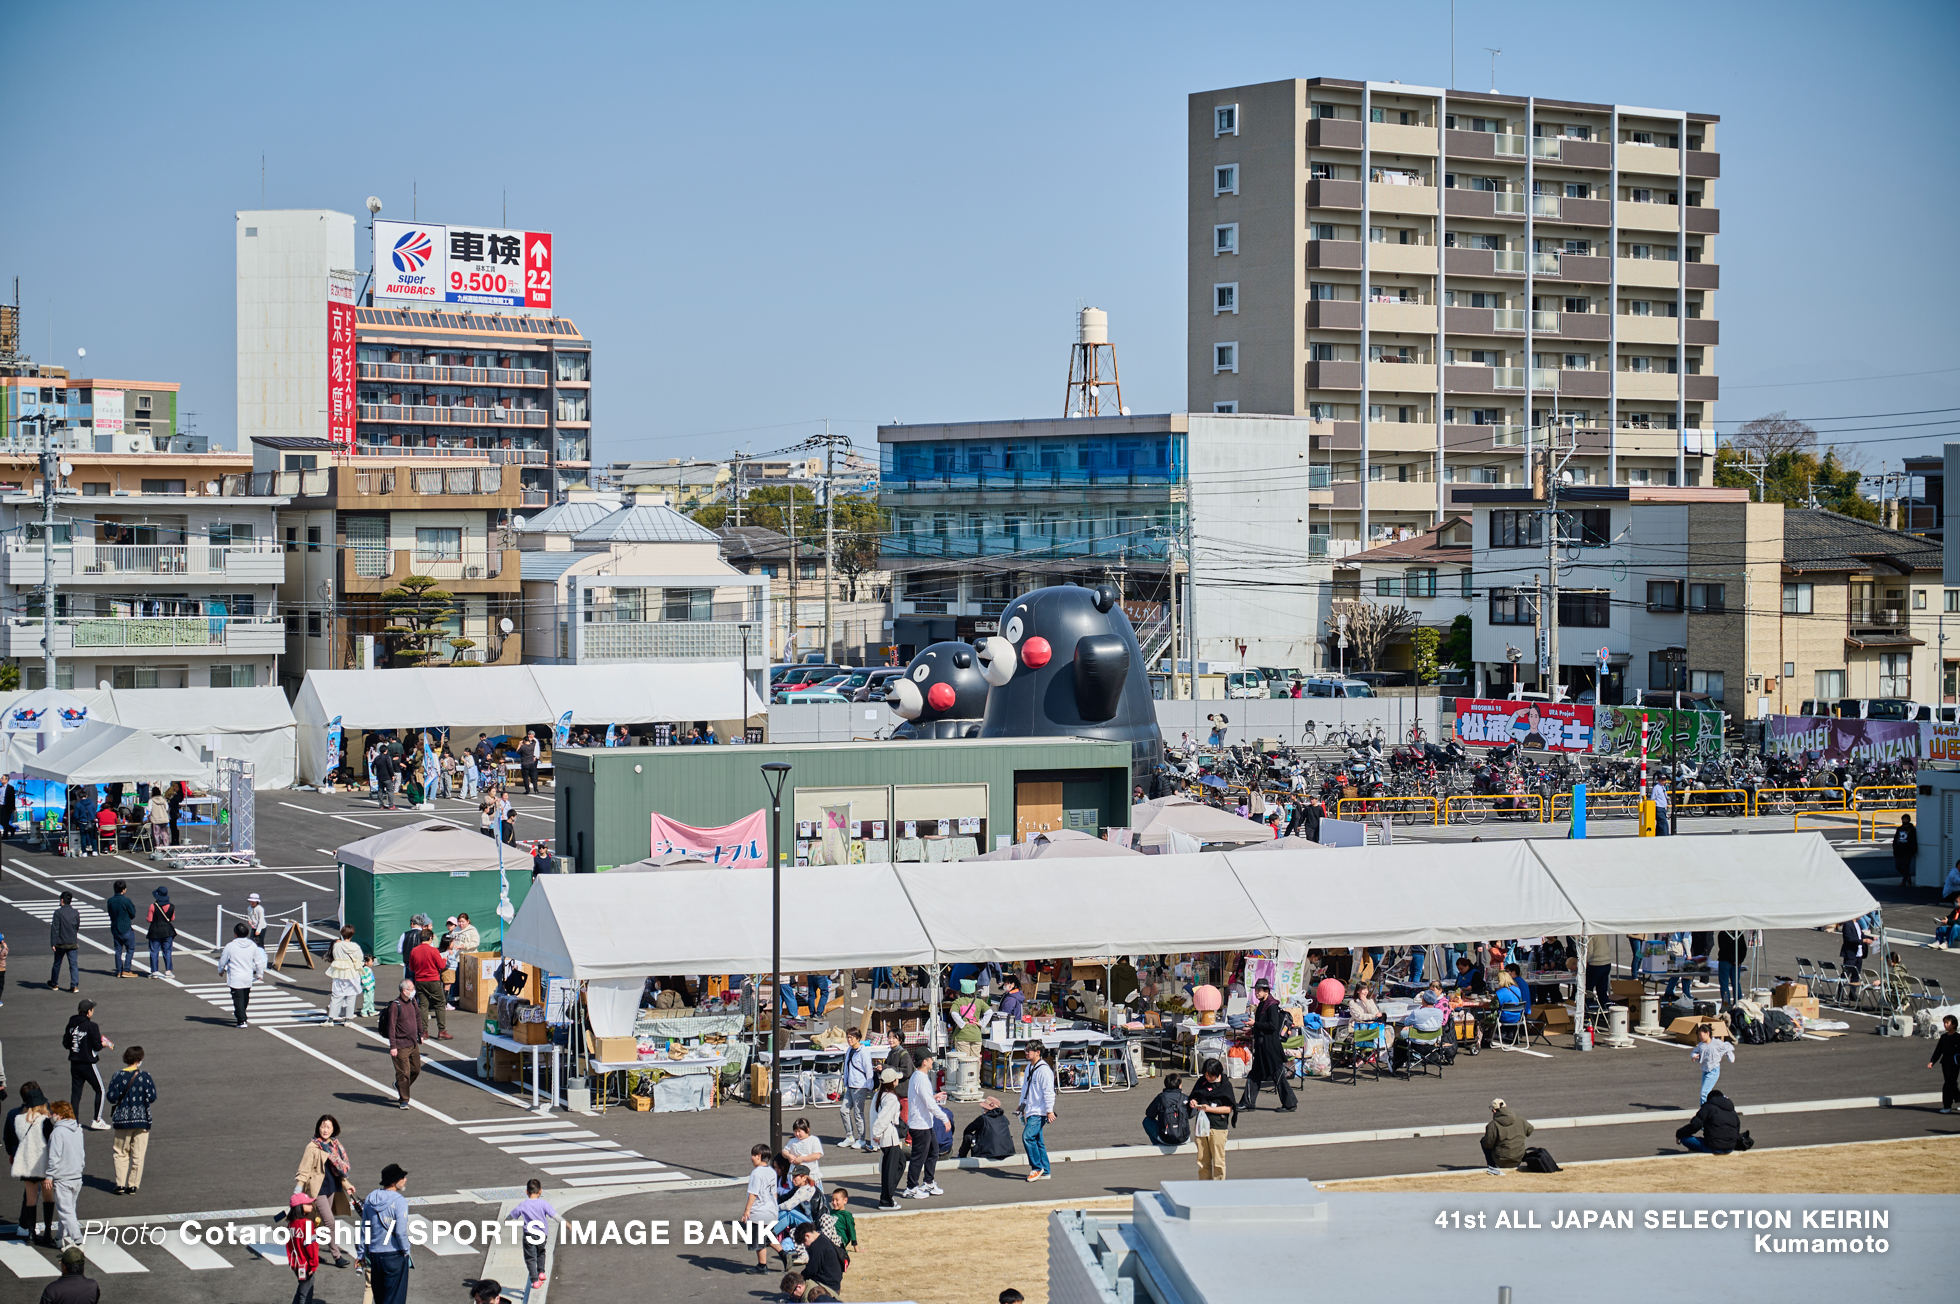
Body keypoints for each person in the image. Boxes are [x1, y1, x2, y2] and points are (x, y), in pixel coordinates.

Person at [294, 1114, 357, 1269]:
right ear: (318, 1127)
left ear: (334, 1128)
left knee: (318, 1222)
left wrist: (347, 1184)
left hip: (331, 1188)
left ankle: (308, 1249)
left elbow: (339, 1170)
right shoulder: (313, 1147)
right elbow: (304, 1169)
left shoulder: (335, 1145)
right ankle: (336, 1256)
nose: (325, 1130)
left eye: (328, 1127)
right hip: (318, 1190)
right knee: (329, 1222)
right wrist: (298, 1189)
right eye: (323, 1126)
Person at [1238, 978, 1298, 1112]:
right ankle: (1248, 1102)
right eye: (1256, 990)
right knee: (1255, 1075)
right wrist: (1252, 1030)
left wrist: (1255, 1024)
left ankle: (1290, 1103)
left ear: (1266, 991)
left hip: (1270, 1047)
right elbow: (1262, 1025)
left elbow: (1272, 1026)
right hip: (1262, 1046)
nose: (1257, 993)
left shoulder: (1271, 1005)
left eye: (1259, 990)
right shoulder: (1262, 1004)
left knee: (1278, 1074)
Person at [358, 1163, 413, 1304]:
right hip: (394, 1255)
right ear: (394, 1182)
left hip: (375, 1256)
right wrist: (406, 1250)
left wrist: (360, 1253)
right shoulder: (399, 1201)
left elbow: (364, 1228)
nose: (405, 1180)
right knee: (395, 1299)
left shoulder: (371, 1198)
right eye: (402, 1177)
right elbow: (400, 1232)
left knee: (380, 1299)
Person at [104, 1047, 153, 1195]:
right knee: (138, 1154)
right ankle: (133, 1185)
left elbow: (111, 1097)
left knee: (120, 1152)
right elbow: (152, 1096)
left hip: (122, 1120)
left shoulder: (117, 1076)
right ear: (140, 1059)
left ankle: (120, 1183)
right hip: (142, 1119)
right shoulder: (145, 1076)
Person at [10, 1084, 53, 1246]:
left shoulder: (19, 1120)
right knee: (48, 1198)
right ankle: (48, 1232)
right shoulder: (46, 1121)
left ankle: (30, 1233)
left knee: (30, 1199)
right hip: (43, 1163)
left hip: (27, 1164)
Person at [903, 1054, 949, 1198]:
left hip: (925, 1124)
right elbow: (929, 1105)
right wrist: (944, 1118)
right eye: (930, 1059)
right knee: (919, 1157)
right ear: (924, 1062)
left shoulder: (918, 1077)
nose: (932, 1061)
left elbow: (923, 1098)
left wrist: (934, 1096)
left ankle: (928, 1183)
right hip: (920, 1125)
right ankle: (911, 1187)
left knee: (933, 1152)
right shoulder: (920, 1078)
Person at [62, 999, 111, 1129]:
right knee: (100, 1090)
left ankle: (74, 1122)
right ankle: (97, 1119)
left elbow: (66, 1044)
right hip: (88, 1064)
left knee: (76, 1094)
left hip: (74, 1063)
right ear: (89, 1012)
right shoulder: (92, 1026)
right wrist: (104, 1044)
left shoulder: (71, 1025)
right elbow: (97, 1046)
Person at [44, 1102, 83, 1248]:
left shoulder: (57, 1133)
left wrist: (49, 1175)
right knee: (68, 1209)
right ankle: (59, 1237)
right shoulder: (77, 1129)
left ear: (60, 1115)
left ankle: (78, 1240)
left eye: (53, 1113)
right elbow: (82, 1153)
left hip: (63, 1178)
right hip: (76, 1176)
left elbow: (54, 1156)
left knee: (66, 1211)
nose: (50, 1116)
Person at [1188, 1058, 1235, 1180]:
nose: (1208, 1078)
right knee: (1202, 1161)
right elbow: (1194, 1096)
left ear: (1218, 1073)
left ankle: (1218, 1189)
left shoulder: (1225, 1086)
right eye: (1206, 1075)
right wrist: (1193, 1102)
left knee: (1218, 1162)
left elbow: (1228, 1109)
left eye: (1211, 1075)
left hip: (1218, 1126)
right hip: (1202, 1126)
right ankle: (1205, 1188)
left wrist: (1209, 1109)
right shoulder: (1201, 1082)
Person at [509, 1177, 557, 1291]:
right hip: (541, 1234)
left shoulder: (523, 1205)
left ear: (526, 1191)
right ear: (540, 1191)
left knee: (530, 1258)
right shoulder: (543, 1204)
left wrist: (506, 1220)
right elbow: (555, 1216)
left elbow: (512, 1215)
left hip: (529, 1235)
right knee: (541, 1252)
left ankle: (535, 1280)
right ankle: (541, 1272)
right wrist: (567, 1223)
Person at [1017, 1041, 1056, 1182]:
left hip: (1040, 1112)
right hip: (1030, 1109)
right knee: (1038, 1140)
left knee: (1027, 1137)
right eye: (1026, 1050)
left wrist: (1049, 1111)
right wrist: (1021, 1105)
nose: (1026, 1052)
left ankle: (1037, 1167)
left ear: (1038, 1052)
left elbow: (1049, 1092)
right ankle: (1045, 1170)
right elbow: (1025, 1088)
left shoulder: (1044, 1070)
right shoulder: (1029, 1067)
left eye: (1029, 1050)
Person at [384, 979, 425, 1108]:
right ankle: (404, 1100)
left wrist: (421, 1033)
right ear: (404, 991)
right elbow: (391, 1027)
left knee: (416, 1070)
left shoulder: (413, 1002)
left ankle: (399, 1086)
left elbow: (418, 1017)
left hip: (413, 1043)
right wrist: (393, 1047)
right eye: (411, 989)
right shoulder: (396, 1006)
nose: (414, 991)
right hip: (401, 1045)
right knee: (403, 1073)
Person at [218, 921, 268, 1028]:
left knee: (238, 999)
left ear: (235, 934)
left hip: (235, 977)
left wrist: (221, 970)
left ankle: (241, 1020)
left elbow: (223, 959)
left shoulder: (230, 946)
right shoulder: (252, 945)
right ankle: (241, 1014)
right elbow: (259, 961)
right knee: (245, 998)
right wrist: (260, 974)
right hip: (247, 977)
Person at [406, 925, 451, 1040]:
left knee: (423, 1005)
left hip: (420, 980)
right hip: (433, 979)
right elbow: (441, 965)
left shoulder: (414, 951)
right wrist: (445, 959)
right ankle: (442, 1030)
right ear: (430, 938)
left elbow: (411, 967)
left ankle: (423, 1031)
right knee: (440, 1003)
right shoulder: (433, 950)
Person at [741, 1142, 781, 1273]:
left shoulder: (756, 1173)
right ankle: (784, 1254)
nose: (751, 1158)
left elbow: (753, 1193)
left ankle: (762, 1266)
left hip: (759, 1211)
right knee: (768, 1236)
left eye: (753, 1155)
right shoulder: (772, 1172)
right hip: (771, 1210)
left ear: (758, 1156)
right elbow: (774, 1192)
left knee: (759, 1240)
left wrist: (747, 1210)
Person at [871, 1067, 906, 1210]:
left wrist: (876, 1135)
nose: (898, 1081)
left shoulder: (881, 1094)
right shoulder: (890, 1097)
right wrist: (876, 1134)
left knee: (896, 1165)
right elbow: (884, 1118)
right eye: (896, 1079)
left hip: (888, 1136)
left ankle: (888, 1196)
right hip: (888, 1136)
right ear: (892, 1082)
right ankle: (886, 1199)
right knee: (892, 1168)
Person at [839, 1027, 875, 1151]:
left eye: (851, 1037)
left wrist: (869, 1085)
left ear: (858, 1038)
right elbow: (846, 1068)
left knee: (858, 1113)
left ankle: (862, 1139)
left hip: (860, 1086)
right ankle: (849, 1136)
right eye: (848, 1037)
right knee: (844, 1110)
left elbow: (868, 1069)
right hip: (850, 1085)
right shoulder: (849, 1050)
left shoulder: (863, 1052)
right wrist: (845, 1083)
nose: (849, 1040)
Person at [1675, 1088, 1741, 1154]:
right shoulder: (1732, 1110)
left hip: (1713, 1147)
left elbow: (1695, 1126)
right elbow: (1737, 1130)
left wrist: (1679, 1134)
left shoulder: (1708, 1107)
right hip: (1730, 1147)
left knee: (1684, 1138)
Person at [1480, 1097, 1534, 1175]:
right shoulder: (1520, 1120)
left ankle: (1492, 1167)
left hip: (1501, 1161)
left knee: (1483, 1141)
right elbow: (1530, 1131)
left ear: (1494, 1110)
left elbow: (1488, 1144)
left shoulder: (1493, 1125)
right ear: (1506, 1106)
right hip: (1518, 1158)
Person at [286, 1200, 323, 1304]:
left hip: (296, 1263)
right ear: (300, 1206)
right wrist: (313, 1264)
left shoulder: (291, 1224)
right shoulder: (307, 1223)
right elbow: (311, 1247)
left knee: (301, 1289)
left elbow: (289, 1245)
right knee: (306, 1294)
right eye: (308, 1204)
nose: (311, 1206)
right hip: (306, 1264)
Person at [795, 1220, 846, 1295]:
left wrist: (798, 1278)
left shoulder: (816, 1246)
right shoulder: (823, 1238)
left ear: (807, 1236)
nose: (805, 1246)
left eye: (804, 1242)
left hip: (827, 1287)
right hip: (834, 1284)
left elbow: (811, 1270)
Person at [326, 926, 365, 1025]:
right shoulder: (355, 946)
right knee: (351, 995)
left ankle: (331, 1019)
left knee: (336, 995)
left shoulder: (337, 946)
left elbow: (334, 956)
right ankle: (347, 1019)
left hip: (339, 971)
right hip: (352, 971)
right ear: (352, 935)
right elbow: (360, 958)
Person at [1687, 1023, 1734, 1104]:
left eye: (1700, 1035)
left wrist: (1730, 1056)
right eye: (1698, 1035)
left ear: (1707, 1033)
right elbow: (1694, 1052)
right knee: (1707, 1092)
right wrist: (1694, 1056)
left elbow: (1727, 1047)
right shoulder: (1701, 1045)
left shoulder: (1716, 1043)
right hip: (1705, 1070)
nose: (1699, 1037)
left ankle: (1704, 1109)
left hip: (1714, 1070)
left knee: (1704, 1092)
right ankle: (1723, 1098)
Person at [1143, 1074, 1190, 1146]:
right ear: (1180, 1085)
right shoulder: (1185, 1097)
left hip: (1165, 1137)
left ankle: (1158, 1143)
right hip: (1184, 1138)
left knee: (1146, 1121)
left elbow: (1149, 1114)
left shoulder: (1161, 1097)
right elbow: (1191, 1114)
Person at [48, 892, 81, 993]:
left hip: (61, 943)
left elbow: (55, 929)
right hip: (72, 942)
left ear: (62, 900)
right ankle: (74, 985)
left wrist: (53, 943)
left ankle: (54, 983)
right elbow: (77, 926)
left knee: (57, 963)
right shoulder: (76, 912)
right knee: (73, 964)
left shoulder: (58, 913)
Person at [1927, 1013, 1960, 1114]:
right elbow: (1938, 1051)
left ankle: (1947, 1106)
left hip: (1955, 1064)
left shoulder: (1958, 1037)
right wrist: (1932, 1061)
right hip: (1945, 1063)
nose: (1945, 1025)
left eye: (1947, 1023)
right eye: (1944, 1023)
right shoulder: (1944, 1037)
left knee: (1948, 1085)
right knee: (1951, 1084)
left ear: (1954, 1024)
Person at [104, 882, 136, 979]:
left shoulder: (110, 901)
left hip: (115, 927)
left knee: (118, 950)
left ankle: (118, 970)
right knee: (130, 949)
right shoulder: (126, 900)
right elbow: (133, 913)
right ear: (124, 889)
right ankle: (126, 970)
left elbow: (110, 913)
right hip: (125, 927)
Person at [784, 1116, 825, 1190]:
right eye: (795, 1131)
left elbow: (816, 1155)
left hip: (811, 1174)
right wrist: (788, 1155)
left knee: (814, 1195)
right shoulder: (792, 1141)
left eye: (799, 1131)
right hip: (796, 1177)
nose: (797, 1134)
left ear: (807, 1130)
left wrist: (802, 1159)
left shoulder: (813, 1140)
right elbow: (784, 1151)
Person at [144, 887, 176, 978]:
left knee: (154, 951)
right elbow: (172, 919)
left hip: (155, 931)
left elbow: (149, 919)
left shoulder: (153, 906)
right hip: (167, 931)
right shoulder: (171, 906)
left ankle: (154, 972)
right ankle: (168, 971)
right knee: (167, 951)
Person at [1893, 813, 1918, 886]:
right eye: (1903, 819)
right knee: (1898, 866)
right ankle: (1907, 876)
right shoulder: (1899, 829)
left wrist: (1913, 850)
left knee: (1906, 866)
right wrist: (1894, 848)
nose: (1904, 821)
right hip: (1899, 851)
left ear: (1908, 820)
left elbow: (1913, 840)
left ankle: (1904, 880)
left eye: (1905, 819)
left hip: (1907, 851)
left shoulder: (1912, 830)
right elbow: (1895, 839)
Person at [518, 731, 541, 795]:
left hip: (525, 763)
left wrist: (520, 744)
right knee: (533, 776)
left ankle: (528, 790)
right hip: (531, 762)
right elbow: (534, 743)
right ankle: (536, 789)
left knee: (526, 777)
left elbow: (517, 751)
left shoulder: (523, 747)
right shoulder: (532, 745)